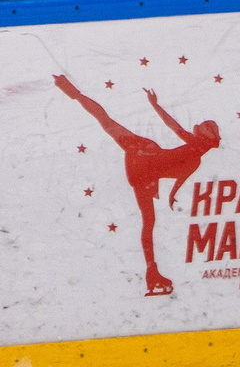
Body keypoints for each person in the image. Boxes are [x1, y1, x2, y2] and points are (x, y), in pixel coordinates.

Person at [54, 74, 222, 297]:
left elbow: (179, 175)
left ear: (208, 138)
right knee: (107, 123)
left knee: (107, 122)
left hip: (144, 167)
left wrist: (172, 194)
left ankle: (152, 273)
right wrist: (155, 105)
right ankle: (152, 272)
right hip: (144, 161)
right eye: (205, 127)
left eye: (206, 128)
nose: (201, 128)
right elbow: (174, 138)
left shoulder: (194, 152)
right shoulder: (194, 151)